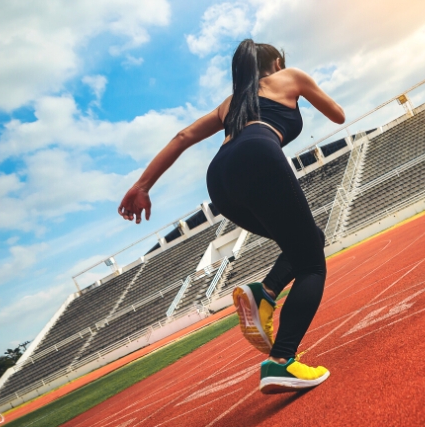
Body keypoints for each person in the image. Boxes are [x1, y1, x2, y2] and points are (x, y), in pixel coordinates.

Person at [117, 39, 345, 394]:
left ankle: (265, 292)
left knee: (307, 240)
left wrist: (143, 185)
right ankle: (282, 360)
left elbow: (183, 136)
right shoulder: (292, 77)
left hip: (220, 179)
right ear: (279, 62)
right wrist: (302, 93)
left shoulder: (230, 103)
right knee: (313, 265)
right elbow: (338, 115)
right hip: (258, 154)